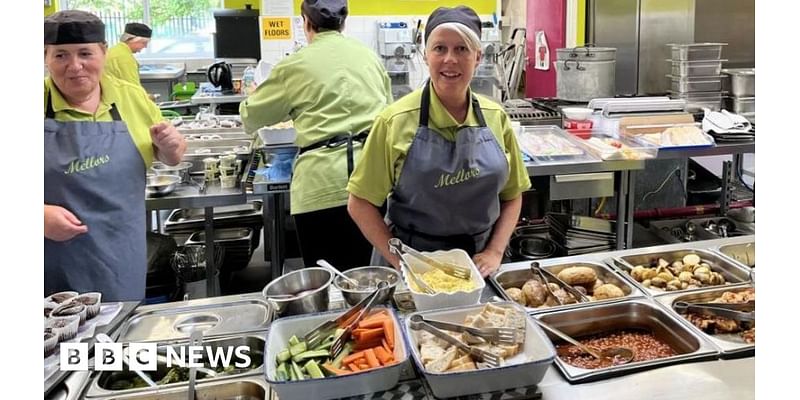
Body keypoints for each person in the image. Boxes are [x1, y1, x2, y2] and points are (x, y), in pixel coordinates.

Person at [346, 6, 531, 277]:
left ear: (478, 56)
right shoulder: (394, 121)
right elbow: (359, 203)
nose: (450, 59)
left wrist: (494, 251)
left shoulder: (496, 117)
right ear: (425, 55)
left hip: (479, 265)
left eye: (462, 49)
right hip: (414, 263)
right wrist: (401, 261)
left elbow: (513, 195)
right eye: (440, 48)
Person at [44, 10, 187, 301]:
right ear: (45, 57)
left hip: (120, 256)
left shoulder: (130, 97)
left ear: (104, 52)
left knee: (120, 339)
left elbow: (171, 158)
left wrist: (172, 147)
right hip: (50, 265)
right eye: (60, 56)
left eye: (85, 53)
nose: (75, 66)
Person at [240, 0, 393, 271]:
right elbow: (389, 118)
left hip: (319, 186)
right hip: (373, 182)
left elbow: (252, 117)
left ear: (306, 22)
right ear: (344, 22)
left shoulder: (294, 66)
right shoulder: (369, 57)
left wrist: (252, 94)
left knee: (328, 283)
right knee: (373, 278)